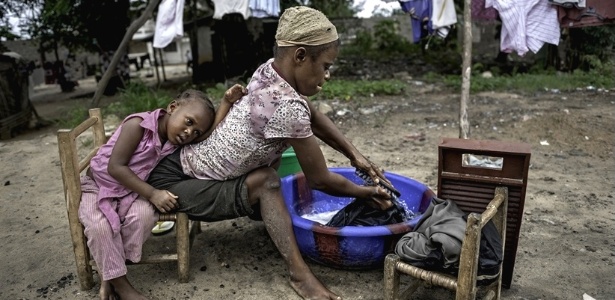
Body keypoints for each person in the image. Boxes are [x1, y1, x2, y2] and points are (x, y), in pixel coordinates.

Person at [148, 6, 392, 300]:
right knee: (267, 181)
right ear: (300, 56)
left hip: (186, 164)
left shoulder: (269, 71)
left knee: (272, 162)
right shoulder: (285, 108)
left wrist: (354, 155)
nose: (327, 75)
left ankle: (263, 216)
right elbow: (320, 181)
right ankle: (300, 277)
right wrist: (365, 193)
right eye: (325, 66)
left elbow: (309, 112)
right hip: (176, 182)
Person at [79, 85, 246, 300]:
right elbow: (115, 167)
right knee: (98, 226)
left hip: (129, 192)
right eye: (188, 122)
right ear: (173, 107)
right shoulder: (138, 125)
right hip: (100, 186)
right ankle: (123, 287)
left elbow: (207, 134)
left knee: (144, 217)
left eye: (195, 131)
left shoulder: (174, 137)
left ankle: (108, 277)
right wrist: (153, 194)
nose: (189, 133)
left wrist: (226, 102)